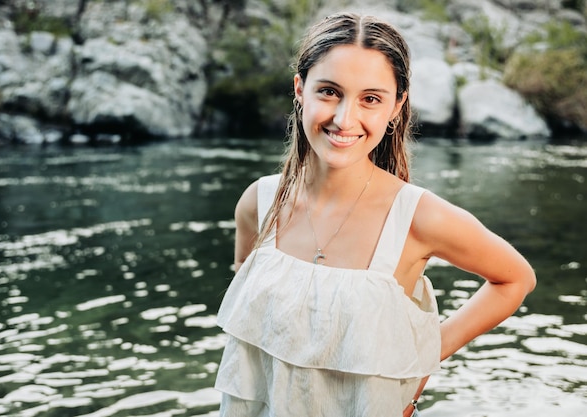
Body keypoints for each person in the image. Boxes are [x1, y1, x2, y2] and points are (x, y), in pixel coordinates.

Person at [214, 11, 536, 417]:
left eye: (370, 99)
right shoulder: (259, 203)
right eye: (329, 91)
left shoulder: (418, 217)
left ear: (397, 105)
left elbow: (515, 279)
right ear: (300, 89)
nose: (344, 119)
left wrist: (425, 357)